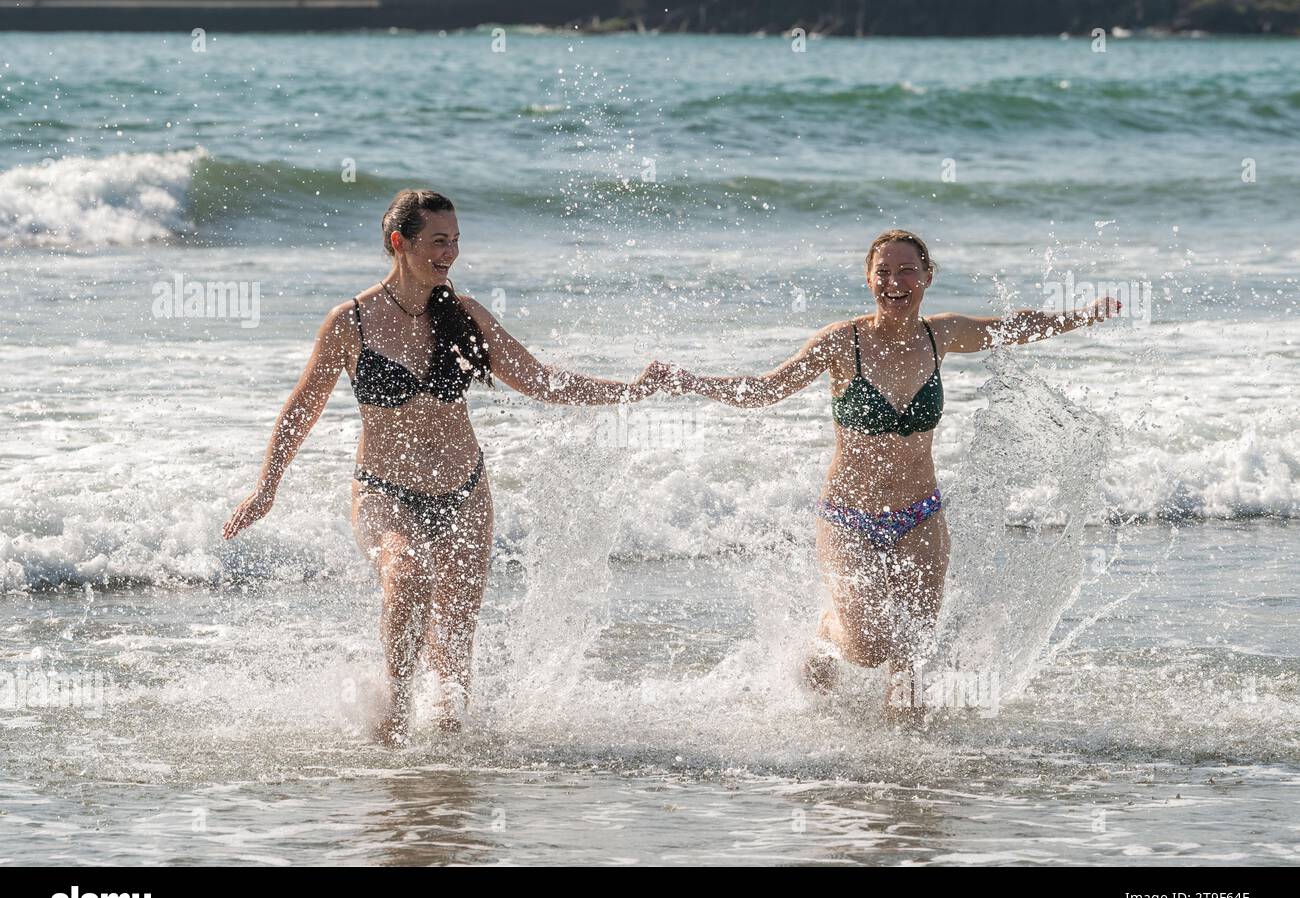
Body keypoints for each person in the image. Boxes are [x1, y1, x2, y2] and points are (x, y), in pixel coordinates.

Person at [223, 189, 660, 745]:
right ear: (398, 243)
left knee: (454, 635)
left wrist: (629, 391)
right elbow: (302, 408)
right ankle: (397, 714)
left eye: (454, 241)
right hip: (384, 489)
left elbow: (542, 381)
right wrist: (267, 487)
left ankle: (446, 767)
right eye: (437, 241)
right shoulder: (350, 322)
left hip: (464, 489)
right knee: (404, 577)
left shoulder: (465, 314)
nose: (449, 252)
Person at [655, 229, 1119, 724]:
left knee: (912, 649)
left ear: (927, 277)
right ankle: (828, 631)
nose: (894, 282)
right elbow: (766, 389)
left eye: (906, 271)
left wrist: (1084, 315)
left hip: (920, 515)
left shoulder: (940, 335)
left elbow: (1014, 326)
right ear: (868, 279)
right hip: (848, 515)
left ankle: (907, 766)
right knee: (867, 646)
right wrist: (688, 381)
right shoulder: (842, 343)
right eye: (884, 272)